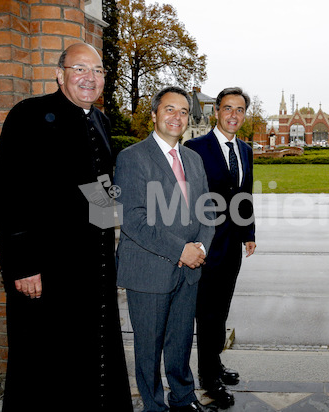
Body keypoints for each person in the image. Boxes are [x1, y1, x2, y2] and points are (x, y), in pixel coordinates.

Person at [0, 43, 132, 411]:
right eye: (80, 69)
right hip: (45, 271)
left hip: (90, 271)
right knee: (44, 367)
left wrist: (110, 249)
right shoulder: (30, 115)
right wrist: (22, 265)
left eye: (98, 70)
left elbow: (100, 191)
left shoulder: (99, 121)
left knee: (89, 360)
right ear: (60, 74)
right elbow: (9, 194)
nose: (90, 77)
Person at [115, 86, 216, 412]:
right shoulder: (132, 158)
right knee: (149, 348)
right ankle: (154, 406)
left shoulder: (193, 159)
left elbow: (206, 211)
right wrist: (180, 250)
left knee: (181, 343)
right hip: (149, 271)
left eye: (184, 111)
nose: (177, 117)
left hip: (188, 272)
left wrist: (199, 246)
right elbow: (133, 220)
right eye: (169, 109)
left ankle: (183, 399)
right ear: (155, 114)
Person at [185, 87, 256, 408]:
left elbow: (245, 196)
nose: (233, 115)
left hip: (232, 246)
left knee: (221, 308)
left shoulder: (245, 150)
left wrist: (249, 232)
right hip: (205, 245)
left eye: (239, 110)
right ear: (216, 112)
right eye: (228, 108)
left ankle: (215, 363)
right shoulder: (196, 147)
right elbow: (185, 198)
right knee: (207, 311)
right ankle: (208, 378)